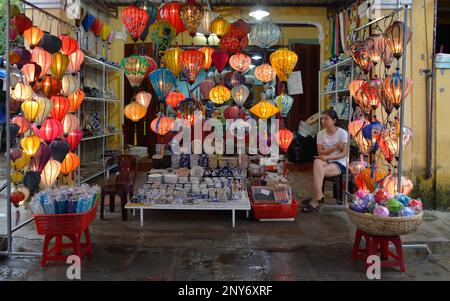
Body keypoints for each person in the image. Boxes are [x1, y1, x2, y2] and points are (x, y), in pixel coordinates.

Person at [301, 109, 348, 213]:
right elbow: (320, 153)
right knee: (317, 162)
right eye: (322, 119)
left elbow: (344, 153)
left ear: (334, 120)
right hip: (326, 160)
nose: (323, 121)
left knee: (318, 169)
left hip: (340, 162)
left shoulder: (342, 133)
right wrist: (335, 147)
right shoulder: (320, 134)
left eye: (326, 119)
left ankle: (315, 199)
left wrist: (328, 157)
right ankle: (318, 195)